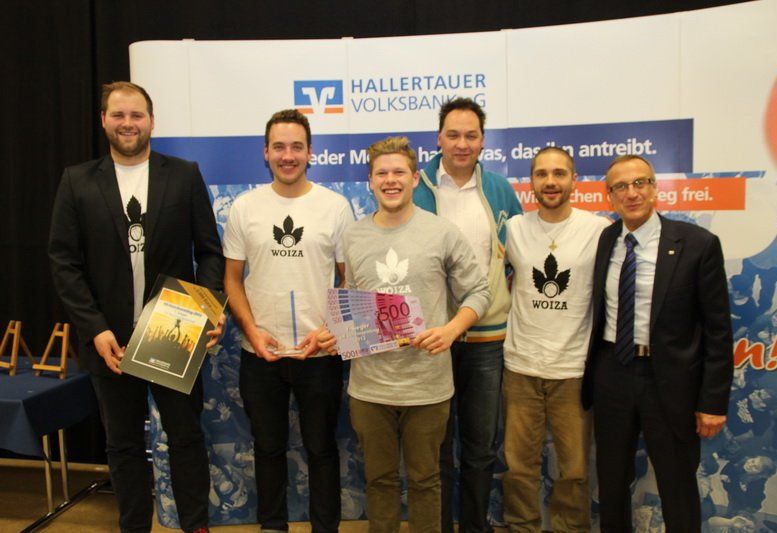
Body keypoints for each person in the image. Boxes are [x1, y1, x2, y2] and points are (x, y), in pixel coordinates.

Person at [48, 81, 224, 533]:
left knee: (185, 439)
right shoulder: (77, 181)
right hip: (110, 341)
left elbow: (209, 251)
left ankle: (196, 526)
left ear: (151, 121)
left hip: (174, 333)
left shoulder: (183, 175)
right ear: (103, 120)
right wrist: (95, 328)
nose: (128, 124)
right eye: (119, 115)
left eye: (137, 115)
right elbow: (64, 263)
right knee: (123, 445)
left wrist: (205, 309)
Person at [320, 136, 490, 532]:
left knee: (426, 481)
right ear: (370, 181)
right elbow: (351, 297)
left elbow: (479, 291)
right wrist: (336, 331)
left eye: (399, 172)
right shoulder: (354, 236)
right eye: (382, 173)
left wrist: (451, 330)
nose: (390, 180)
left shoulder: (442, 232)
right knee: (379, 481)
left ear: (414, 178)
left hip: (427, 386)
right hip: (370, 388)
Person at [581, 155, 734, 532]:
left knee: (676, 483)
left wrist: (712, 401)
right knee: (611, 481)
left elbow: (717, 330)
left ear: (654, 188)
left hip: (670, 380)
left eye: (640, 183)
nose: (632, 193)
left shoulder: (697, 244)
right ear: (609, 196)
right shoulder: (606, 239)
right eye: (621, 186)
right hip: (612, 373)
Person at [223, 109, 352, 533]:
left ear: (310, 152)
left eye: (297, 146)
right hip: (261, 353)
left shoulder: (335, 207)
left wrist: (332, 331)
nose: (288, 155)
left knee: (322, 449)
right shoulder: (245, 207)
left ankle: (325, 528)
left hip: (320, 354)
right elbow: (231, 279)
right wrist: (251, 331)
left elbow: (349, 279)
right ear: (265, 152)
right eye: (279, 146)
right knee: (267, 448)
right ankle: (272, 526)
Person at [413, 97, 522, 532]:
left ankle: (475, 525)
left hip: (486, 340)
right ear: (438, 138)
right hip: (431, 339)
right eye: (453, 135)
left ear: (482, 141)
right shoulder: (415, 187)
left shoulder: (499, 190)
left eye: (471, 136)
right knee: (435, 448)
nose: (462, 144)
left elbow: (519, 256)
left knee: (480, 446)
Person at [502, 147, 609, 531]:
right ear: (531, 181)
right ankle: (522, 527)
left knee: (574, 470)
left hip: (574, 370)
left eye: (559, 173)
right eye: (542, 174)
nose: (550, 182)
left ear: (574, 180)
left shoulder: (598, 230)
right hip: (521, 367)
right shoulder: (514, 228)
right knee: (518, 467)